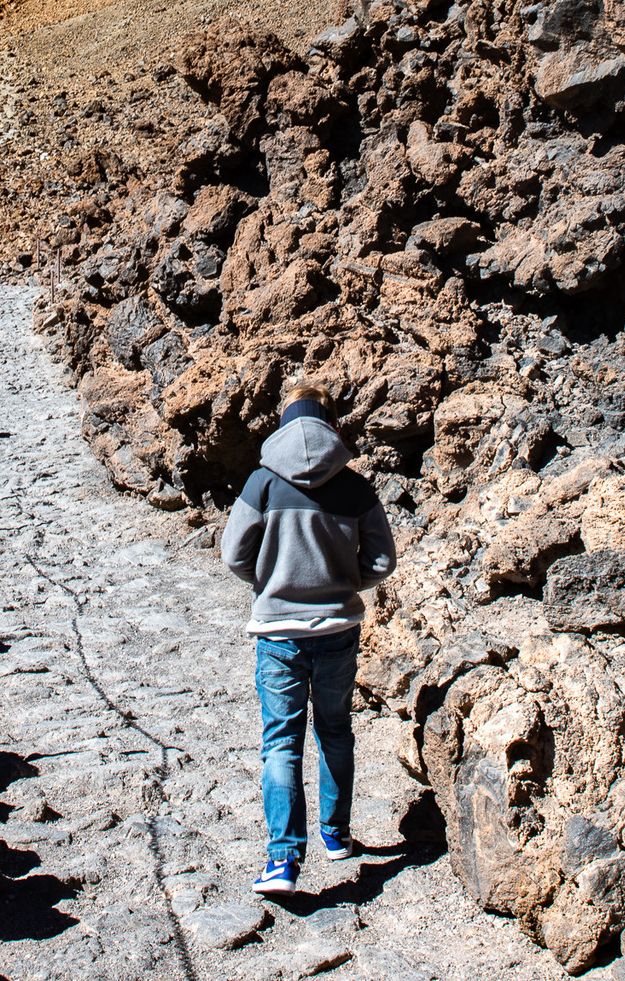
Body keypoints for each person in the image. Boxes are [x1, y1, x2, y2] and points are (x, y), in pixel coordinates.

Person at [219, 384, 396, 895]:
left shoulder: (262, 484)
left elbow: (233, 554)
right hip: (339, 630)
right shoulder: (356, 487)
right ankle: (337, 836)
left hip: (277, 633)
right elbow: (382, 561)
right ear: (330, 425)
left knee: (282, 742)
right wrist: (341, 584)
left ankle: (282, 861)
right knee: (336, 731)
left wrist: (271, 582)